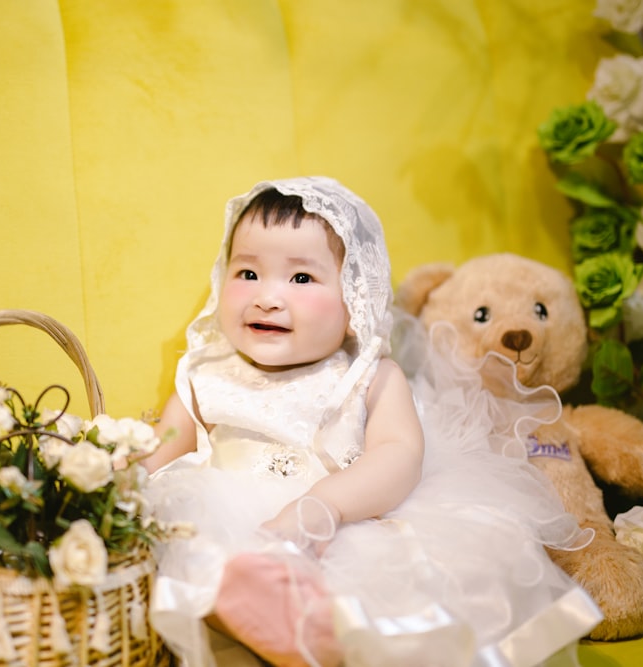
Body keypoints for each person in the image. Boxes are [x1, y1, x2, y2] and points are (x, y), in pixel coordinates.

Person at [142, 176, 602, 667]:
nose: (266, 297)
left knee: (430, 571)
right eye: (248, 273)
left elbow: (399, 455)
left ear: (354, 300)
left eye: (300, 279)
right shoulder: (204, 374)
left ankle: (319, 631)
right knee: (196, 548)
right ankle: (275, 620)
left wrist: (323, 510)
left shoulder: (370, 377)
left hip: (346, 520)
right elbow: (158, 454)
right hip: (239, 524)